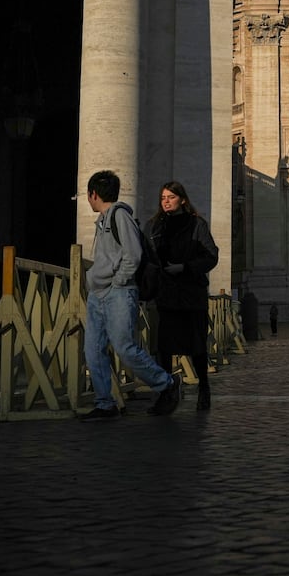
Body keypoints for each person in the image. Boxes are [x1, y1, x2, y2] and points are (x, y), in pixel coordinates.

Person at [80, 170, 181, 420]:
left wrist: (118, 281)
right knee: (93, 350)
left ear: (93, 194)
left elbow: (133, 254)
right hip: (98, 294)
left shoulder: (119, 215)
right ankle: (105, 403)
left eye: (88, 194)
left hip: (118, 293)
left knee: (125, 348)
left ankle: (167, 383)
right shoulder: (102, 220)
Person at [148, 181, 220, 411]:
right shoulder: (154, 226)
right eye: (163, 198)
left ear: (183, 199)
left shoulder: (197, 224)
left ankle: (204, 389)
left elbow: (211, 256)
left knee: (197, 345)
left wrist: (185, 267)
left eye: (171, 197)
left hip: (191, 292)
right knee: (164, 347)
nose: (166, 201)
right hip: (166, 292)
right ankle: (166, 392)